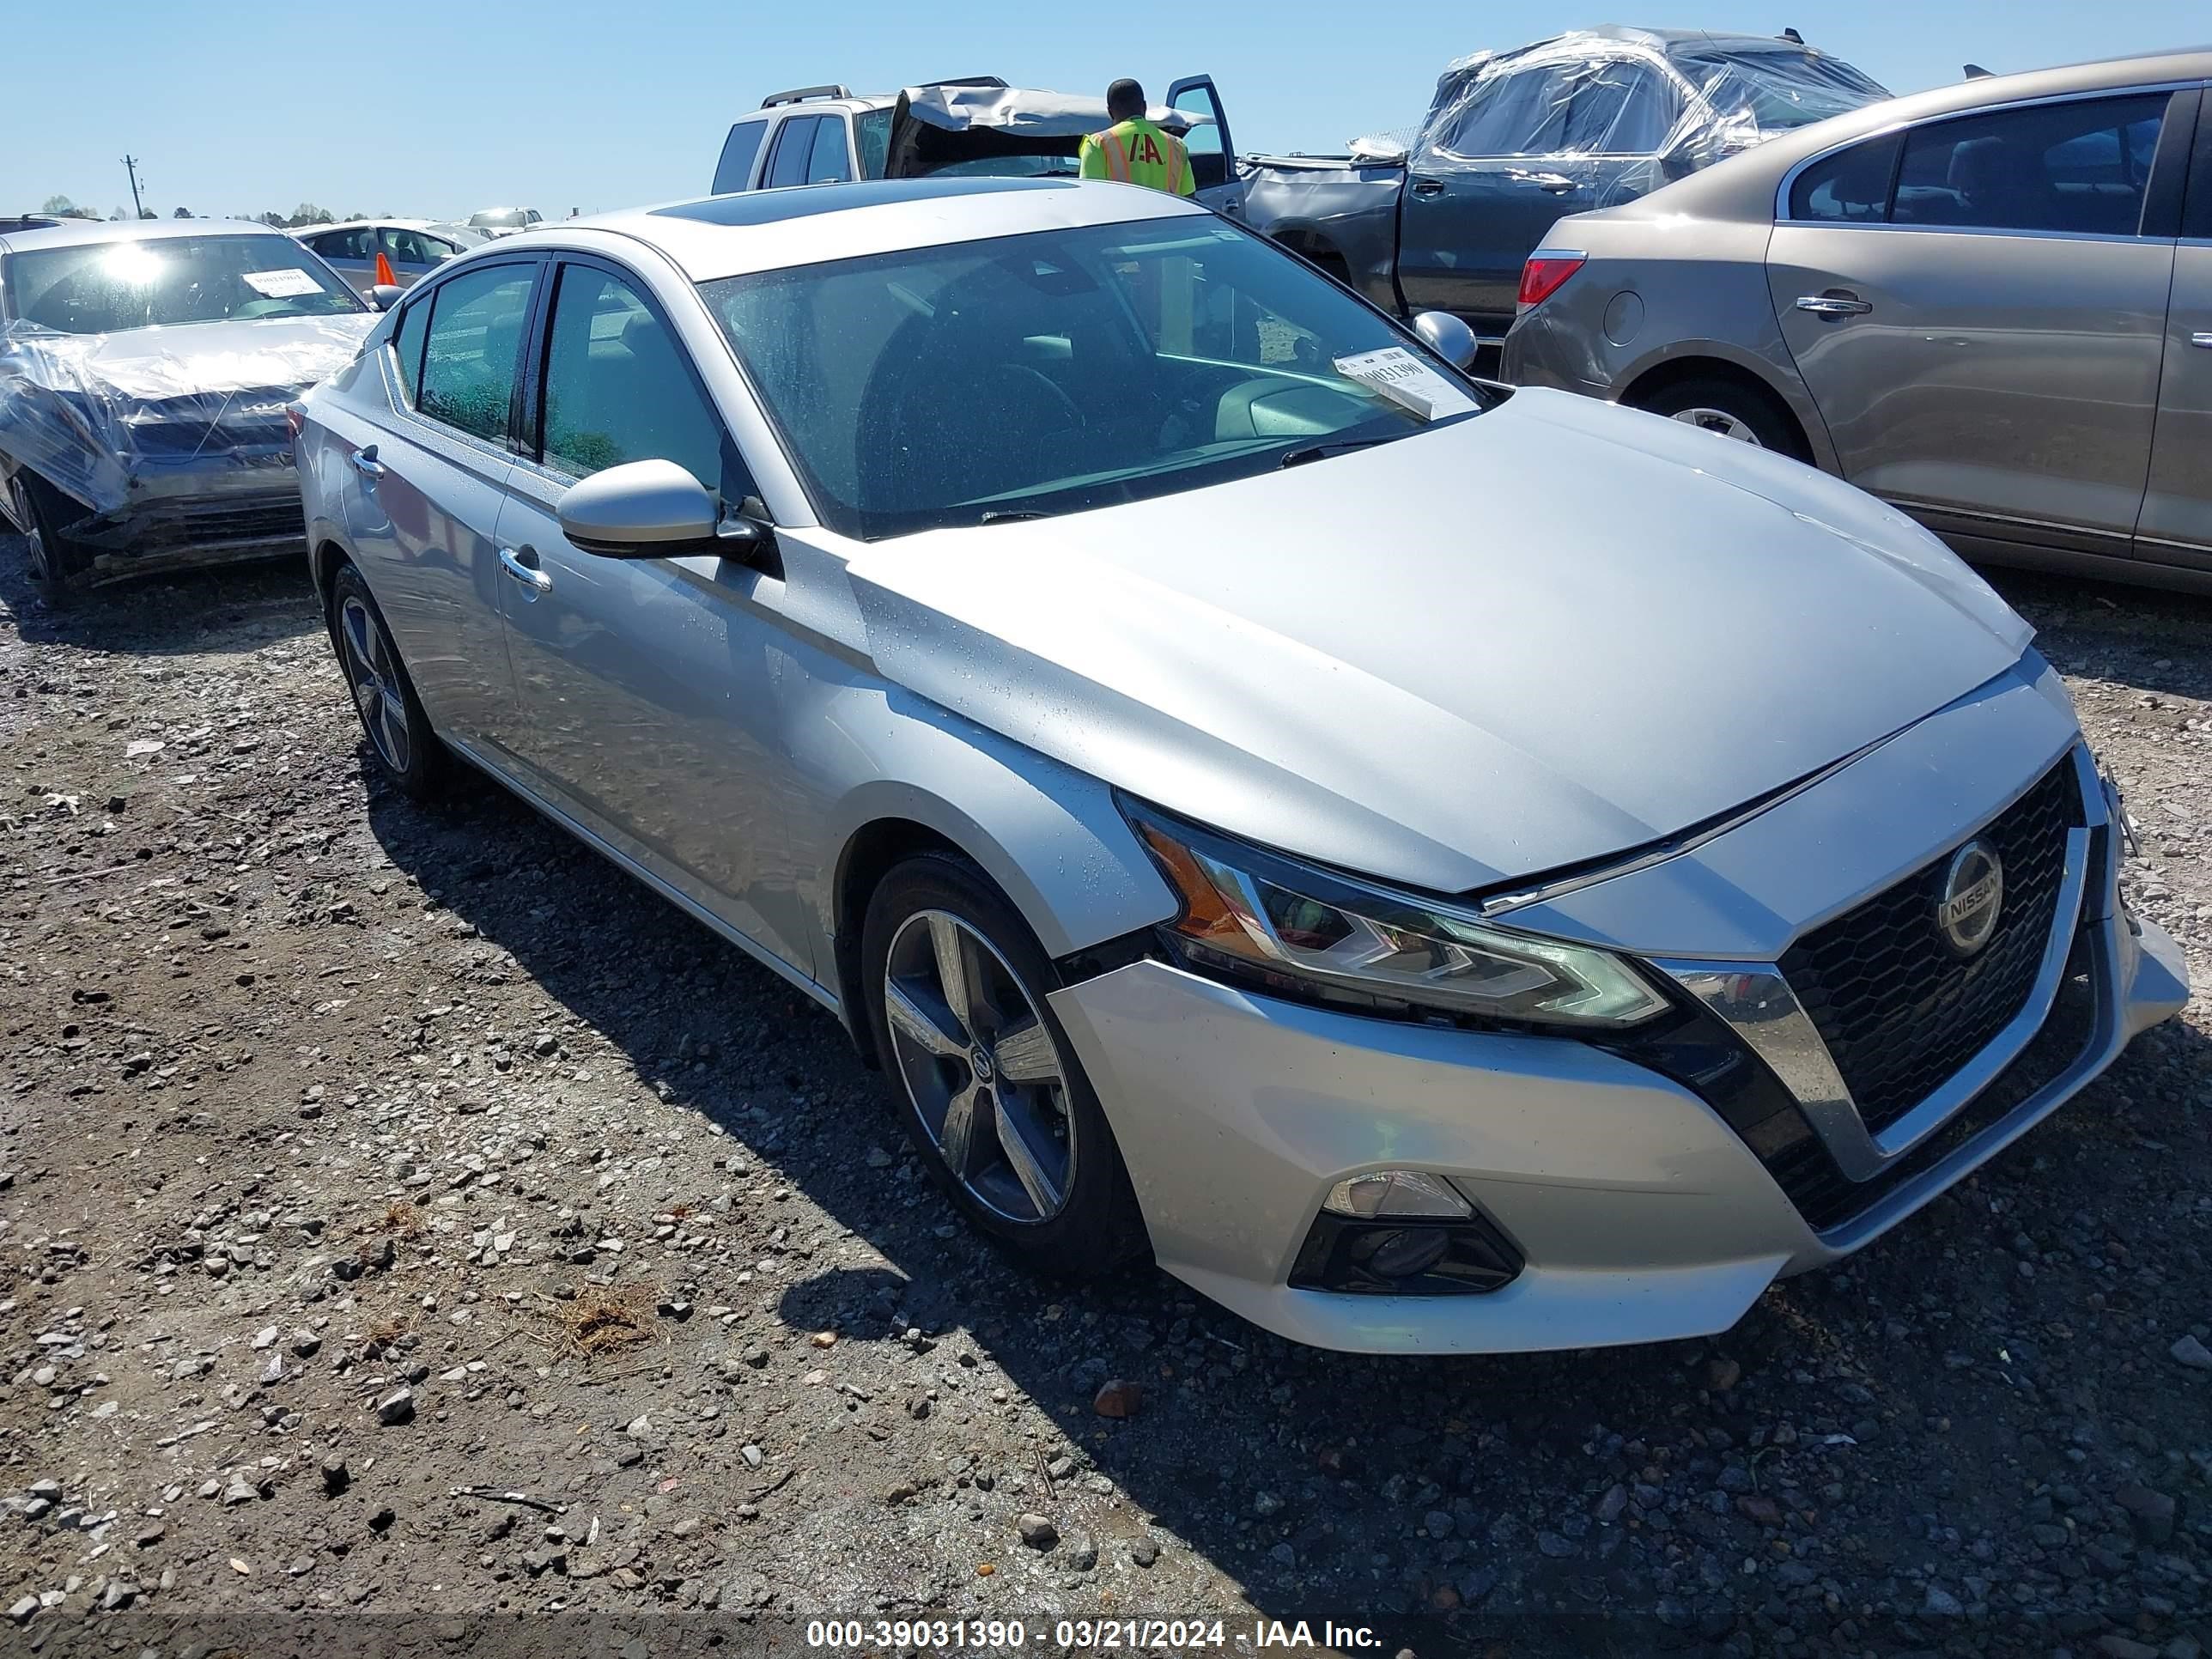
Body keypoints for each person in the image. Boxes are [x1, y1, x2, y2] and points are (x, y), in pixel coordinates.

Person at [1078, 80, 1195, 197]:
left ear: (1110, 111)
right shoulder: (1177, 146)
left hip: (1123, 216)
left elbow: (1090, 197)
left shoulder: (1098, 143)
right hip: (1169, 215)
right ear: (1144, 106)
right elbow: (1190, 199)